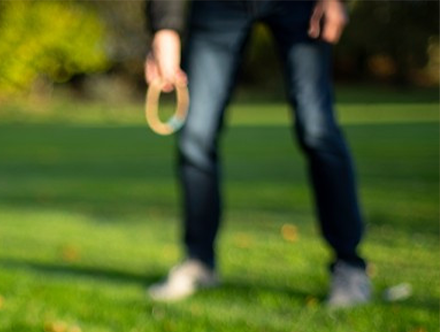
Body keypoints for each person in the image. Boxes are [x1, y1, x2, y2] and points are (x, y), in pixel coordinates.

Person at [145, 0, 371, 307]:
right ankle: (198, 262)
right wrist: (164, 28)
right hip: (219, 8)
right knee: (195, 135)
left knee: (317, 129)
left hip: (299, 5)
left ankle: (349, 265)